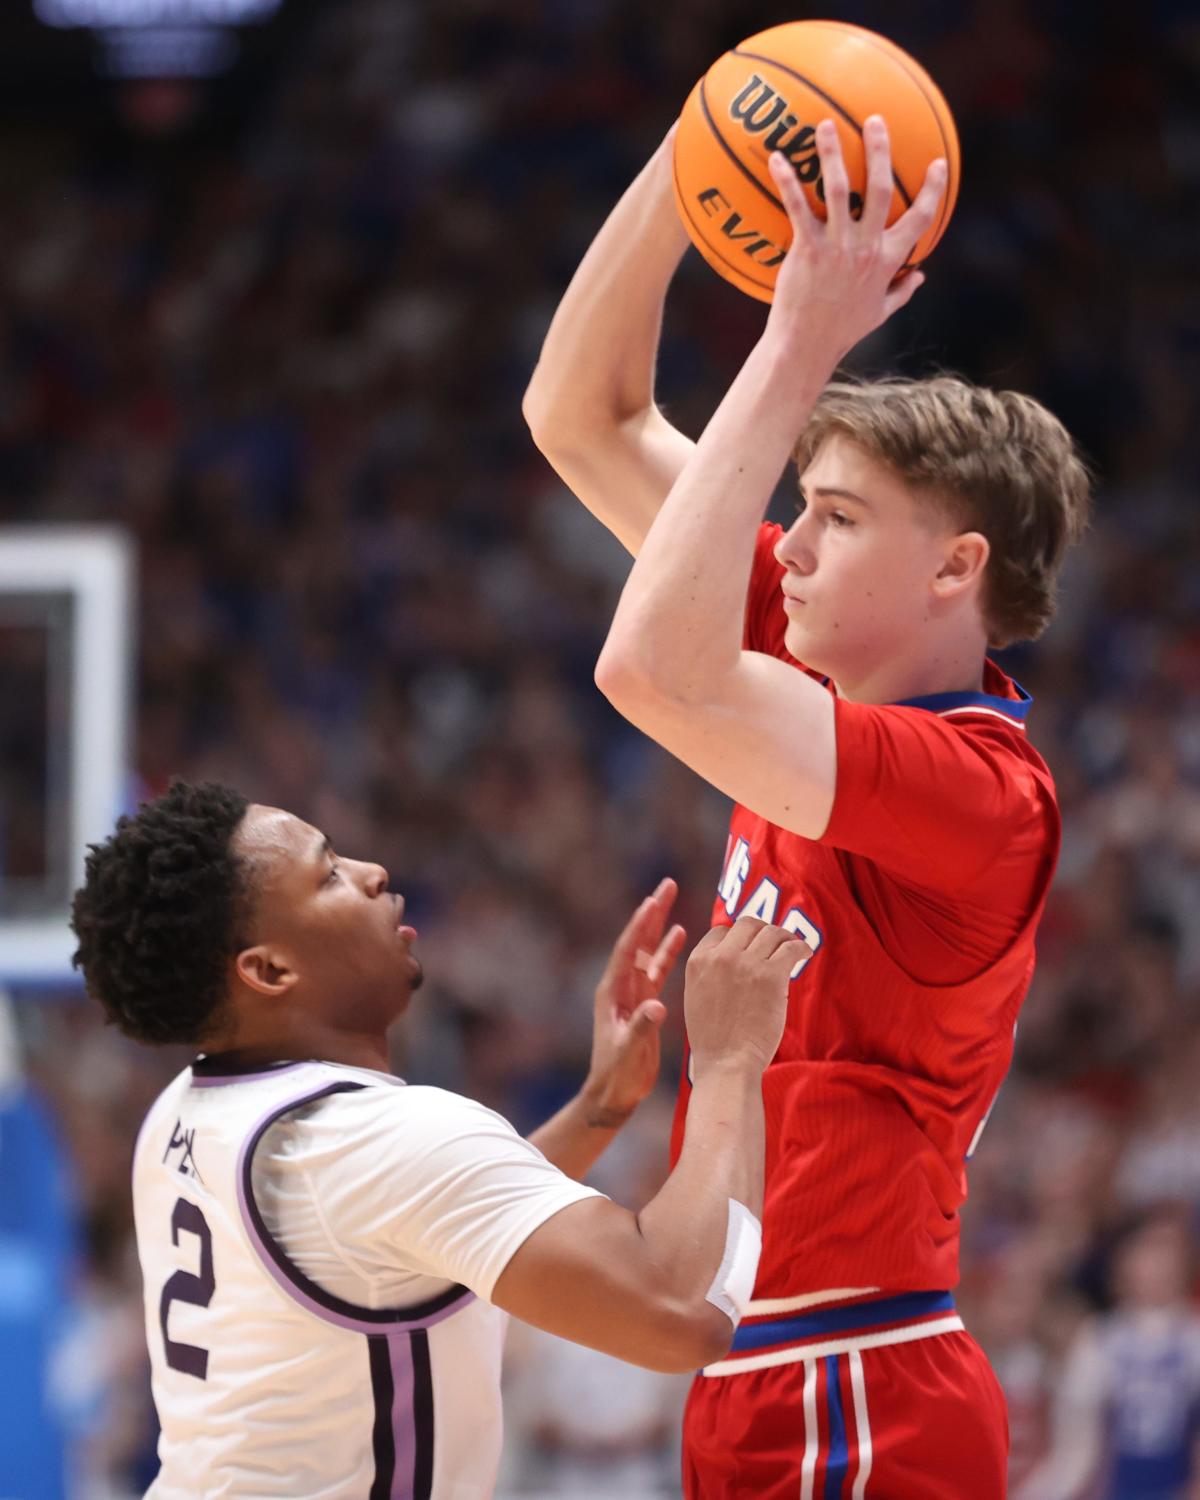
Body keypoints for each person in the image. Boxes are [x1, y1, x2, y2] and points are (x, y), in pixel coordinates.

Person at [523, 116, 1092, 1499]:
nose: (797, 544)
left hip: (860, 1379)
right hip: (765, 1367)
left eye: (834, 516)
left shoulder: (981, 796)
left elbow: (651, 666)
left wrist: (798, 343)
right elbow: (580, 415)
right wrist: (692, 146)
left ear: (954, 570)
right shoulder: (808, 647)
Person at [69, 779, 808, 1499]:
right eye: (328, 876)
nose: (370, 872)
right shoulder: (366, 1139)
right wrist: (725, 1060)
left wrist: (597, 1108)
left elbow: (411, 1234)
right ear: (269, 969)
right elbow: (682, 1313)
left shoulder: (184, 1109)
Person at [1015, 1209, 1200, 1500]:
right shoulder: (1101, 1340)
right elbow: (1076, 1447)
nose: (1161, 1264)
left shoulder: (1192, 1338)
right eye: (1149, 1248)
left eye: (1170, 1250)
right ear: (1124, 1261)